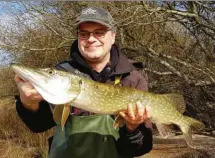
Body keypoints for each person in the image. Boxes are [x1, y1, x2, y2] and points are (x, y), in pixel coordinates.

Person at [14, 7, 153, 158]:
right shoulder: (64, 74)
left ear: (113, 36)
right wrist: (28, 103)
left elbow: (141, 149)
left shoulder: (133, 78)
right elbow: (39, 126)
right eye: (84, 34)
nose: (91, 39)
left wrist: (132, 128)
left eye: (99, 32)